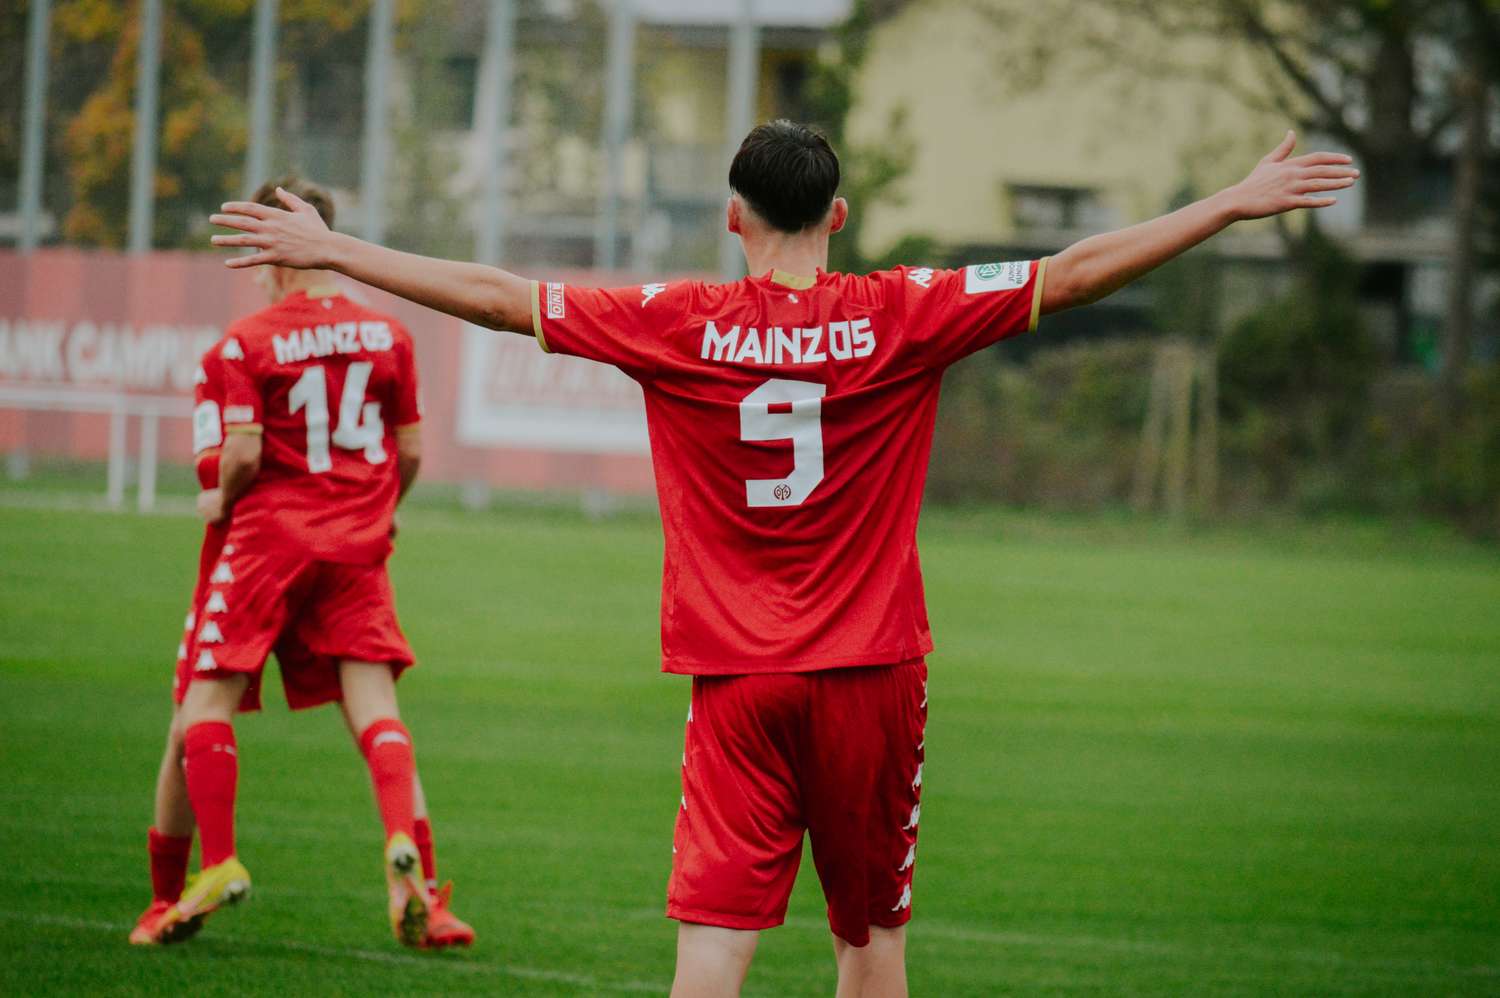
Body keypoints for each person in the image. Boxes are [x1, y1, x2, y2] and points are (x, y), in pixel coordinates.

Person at [209, 124, 1358, 995]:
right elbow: (1079, 268)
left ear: (732, 217)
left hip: (738, 682)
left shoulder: (682, 320)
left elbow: (502, 299)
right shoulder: (906, 311)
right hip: (875, 677)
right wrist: (1231, 202)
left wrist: (331, 249)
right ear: (842, 214)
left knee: (711, 951)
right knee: (872, 938)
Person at [136, 177, 475, 950]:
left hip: (260, 546)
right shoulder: (389, 335)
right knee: (379, 714)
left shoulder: (241, 346)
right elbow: (413, 449)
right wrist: (379, 509)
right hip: (356, 545)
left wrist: (217, 498)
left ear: (271, 249)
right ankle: (414, 885)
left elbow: (242, 455)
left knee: (197, 710)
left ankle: (195, 877)